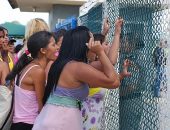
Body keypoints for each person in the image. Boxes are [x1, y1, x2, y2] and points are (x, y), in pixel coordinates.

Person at [32, 26, 130, 130]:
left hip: (52, 117)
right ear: (85, 46)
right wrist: (100, 52)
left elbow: (109, 67)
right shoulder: (77, 67)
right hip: (61, 120)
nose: (95, 45)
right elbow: (114, 82)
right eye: (92, 42)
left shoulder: (63, 64)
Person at [82, 18, 128, 130]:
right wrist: (117, 33)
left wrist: (121, 75)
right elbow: (111, 61)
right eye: (106, 43)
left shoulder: (92, 65)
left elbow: (109, 80)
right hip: (88, 122)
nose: (109, 46)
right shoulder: (91, 65)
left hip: (94, 119)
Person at [5, 31, 57, 130]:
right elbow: (41, 104)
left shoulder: (29, 66)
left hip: (20, 124)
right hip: (29, 124)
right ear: (43, 50)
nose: (57, 48)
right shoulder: (37, 71)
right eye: (53, 45)